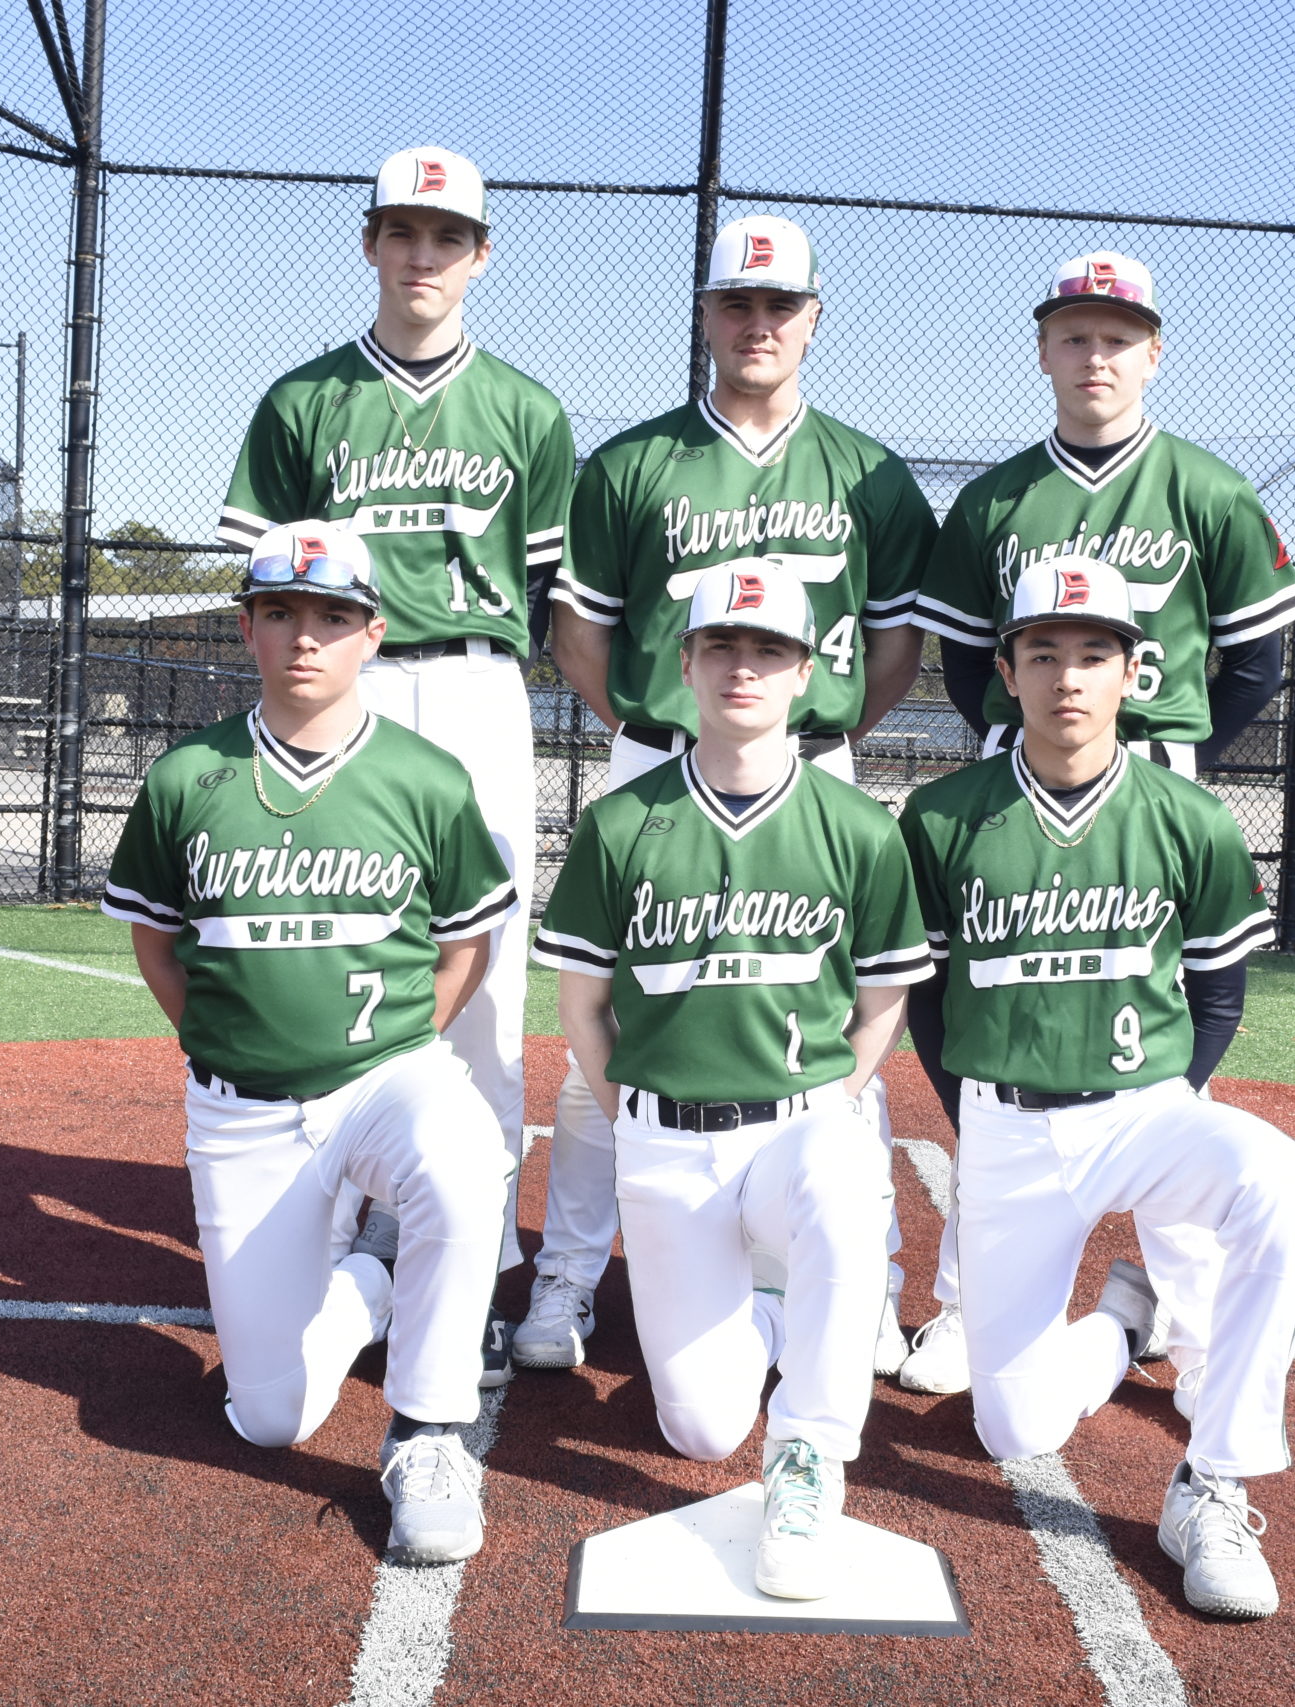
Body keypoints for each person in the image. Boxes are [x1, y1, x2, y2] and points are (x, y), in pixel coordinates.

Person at [897, 251, 1295, 1395]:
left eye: (1116, 337)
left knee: (1162, 1048)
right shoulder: (995, 500)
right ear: (1043, 349)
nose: (1095, 356)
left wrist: (1177, 766)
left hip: (1154, 766)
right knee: (1003, 1029)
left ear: (1152, 353)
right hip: (1017, 774)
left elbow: (1258, 658)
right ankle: (966, 1313)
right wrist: (1013, 738)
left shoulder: (1208, 489)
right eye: (1074, 335)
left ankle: (1180, 1313)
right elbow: (960, 654)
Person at [534, 214, 939, 1375]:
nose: (757, 325)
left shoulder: (865, 470)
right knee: (604, 1030)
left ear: (815, 319)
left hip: (811, 761)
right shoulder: (633, 465)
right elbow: (577, 634)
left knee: (825, 1027)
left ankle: (859, 1286)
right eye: (736, 304)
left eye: (781, 306)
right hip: (662, 753)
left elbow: (899, 640)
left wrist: (818, 739)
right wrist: (671, 737)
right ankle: (565, 1277)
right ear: (706, 314)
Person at [898, 557, 1295, 1619]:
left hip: (1145, 1111)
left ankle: (1213, 1484)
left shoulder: (1189, 818)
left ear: (1136, 672)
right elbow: (929, 1003)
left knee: (1277, 1179)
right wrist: (974, 1120)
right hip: (1005, 1126)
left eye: (1095, 653)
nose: (1068, 676)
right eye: (1043, 653)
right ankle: (1127, 1320)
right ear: (1004, 670)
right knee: (1012, 1431)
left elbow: (1217, 996)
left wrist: (1165, 1106)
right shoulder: (943, 817)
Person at [216, 146, 576, 1373]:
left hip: (478, 681)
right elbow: (267, 586)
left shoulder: (525, 409)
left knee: (488, 968)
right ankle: (322, 1215)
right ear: (368, 241)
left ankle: (477, 1251)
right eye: (403, 232)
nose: (423, 256)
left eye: (448, 237)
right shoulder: (305, 399)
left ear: (482, 254)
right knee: (331, 940)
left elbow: (551, 589)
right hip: (348, 683)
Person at [102, 520, 518, 1566]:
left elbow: (469, 938)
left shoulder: (423, 775)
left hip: (382, 1079)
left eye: (331, 616)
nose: (304, 638)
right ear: (246, 626)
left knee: (465, 1156)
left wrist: (407, 1046)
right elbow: (157, 940)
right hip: (240, 1108)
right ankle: (371, 1282)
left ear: (372, 634)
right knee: (269, 1419)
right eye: (279, 613)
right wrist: (212, 1032)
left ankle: (428, 1431)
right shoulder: (187, 774)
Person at [532, 568, 933, 1600]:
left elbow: (882, 999)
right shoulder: (623, 822)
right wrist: (628, 1108)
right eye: (720, 647)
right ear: (685, 665)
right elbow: (582, 1006)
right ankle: (765, 1306)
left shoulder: (855, 826)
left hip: (799, 1124)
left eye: (767, 651)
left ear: (805, 671)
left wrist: (837, 1098)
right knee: (699, 1430)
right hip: (666, 1140)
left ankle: (809, 1454)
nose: (741, 667)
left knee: (845, 1184)